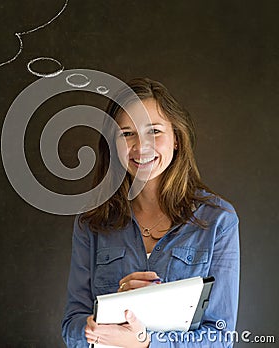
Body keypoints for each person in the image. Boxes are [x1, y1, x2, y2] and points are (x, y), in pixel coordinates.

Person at [61, 78, 240, 347]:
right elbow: (72, 327)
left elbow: (221, 336)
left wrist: (146, 342)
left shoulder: (218, 221)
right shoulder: (92, 223)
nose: (141, 146)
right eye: (127, 133)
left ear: (177, 139)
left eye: (154, 131)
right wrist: (105, 319)